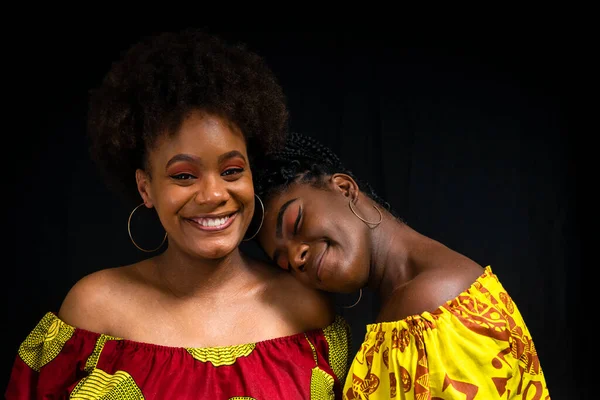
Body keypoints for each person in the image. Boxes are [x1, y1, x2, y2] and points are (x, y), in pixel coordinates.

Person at [6, 31, 352, 399]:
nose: (214, 194)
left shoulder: (305, 310)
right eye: (183, 175)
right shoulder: (93, 311)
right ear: (146, 188)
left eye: (232, 170)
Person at [252, 131, 551, 399]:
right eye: (284, 263)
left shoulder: (434, 307)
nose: (296, 258)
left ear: (344, 188)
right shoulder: (413, 302)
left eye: (296, 222)